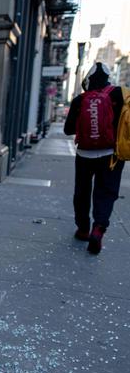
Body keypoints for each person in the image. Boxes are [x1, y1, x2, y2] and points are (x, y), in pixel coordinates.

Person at [64, 62, 124, 254]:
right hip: (111, 155)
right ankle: (98, 228)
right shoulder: (120, 95)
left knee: (82, 192)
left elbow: (68, 130)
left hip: (84, 154)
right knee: (105, 192)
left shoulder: (80, 100)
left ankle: (82, 229)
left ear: (88, 80)